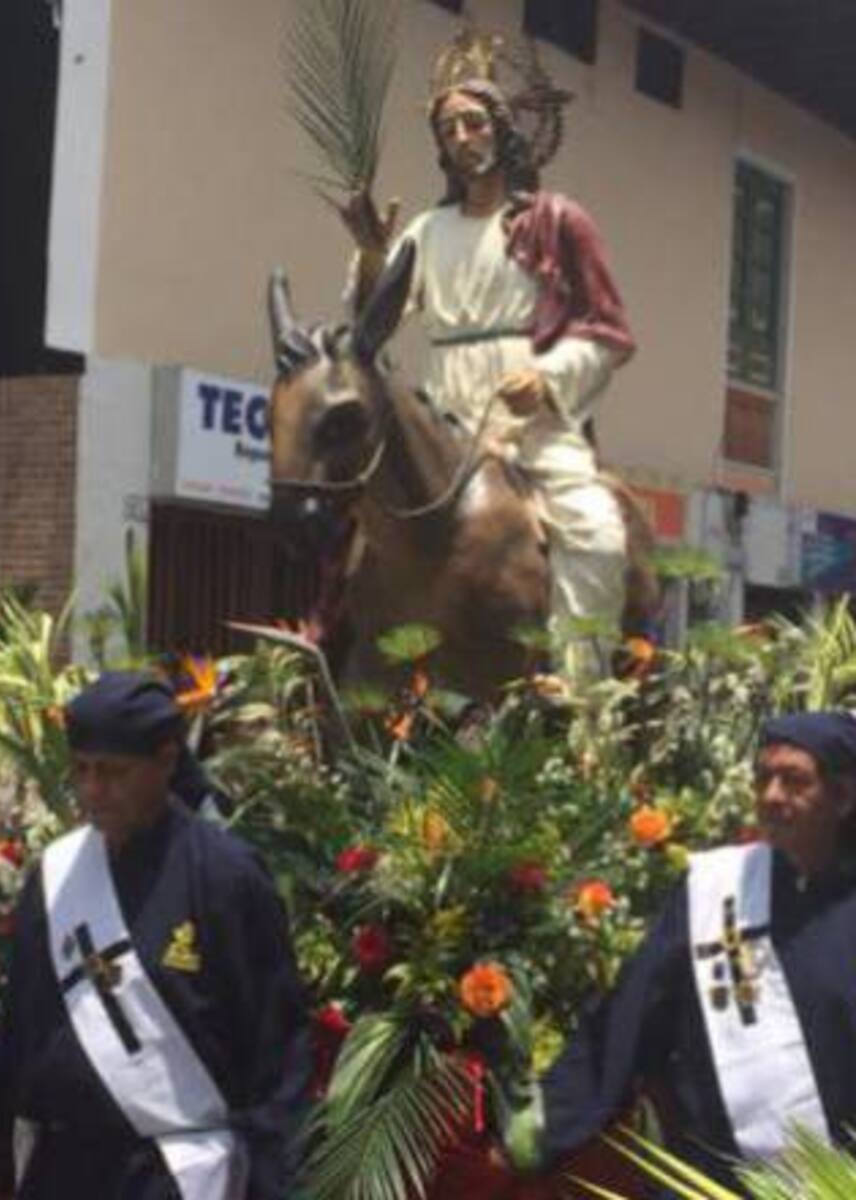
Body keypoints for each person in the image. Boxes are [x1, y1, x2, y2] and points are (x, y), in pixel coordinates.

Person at [340, 28, 635, 680]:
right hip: (447, 414)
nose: (463, 138)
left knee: (595, 532)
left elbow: (610, 331)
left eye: (474, 123)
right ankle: (342, 676)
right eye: (449, 131)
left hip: (531, 417)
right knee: (358, 528)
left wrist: (549, 374)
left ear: (502, 130)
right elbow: (370, 326)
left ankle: (580, 686)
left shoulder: (557, 221)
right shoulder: (426, 231)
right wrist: (369, 257)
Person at [0, 671, 311, 1199]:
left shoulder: (223, 875)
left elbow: (273, 1053)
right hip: (60, 1170)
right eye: (82, 771)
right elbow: (17, 1030)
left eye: (114, 772)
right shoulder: (56, 873)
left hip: (171, 1176)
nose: (93, 791)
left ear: (166, 761)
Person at [507, 711, 856, 1186]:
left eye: (794, 780)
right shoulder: (716, 891)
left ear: (841, 797)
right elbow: (628, 1018)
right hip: (712, 1180)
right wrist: (547, 1127)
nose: (771, 796)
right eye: (763, 778)